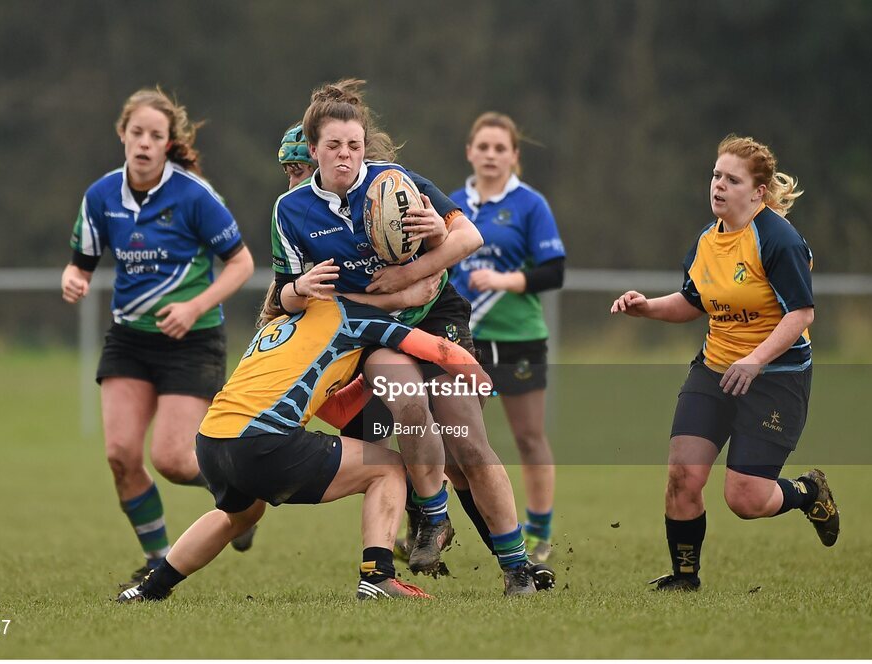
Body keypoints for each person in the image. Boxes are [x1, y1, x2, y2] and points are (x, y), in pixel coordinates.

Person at [271, 79, 553, 596]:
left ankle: (517, 568)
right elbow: (285, 297)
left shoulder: (396, 182)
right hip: (375, 331)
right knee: (406, 404)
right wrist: (305, 292)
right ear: (314, 151)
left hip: (435, 316)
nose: (345, 155)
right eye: (333, 146)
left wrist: (417, 262)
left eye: (353, 145)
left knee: (467, 438)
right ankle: (432, 515)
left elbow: (468, 237)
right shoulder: (290, 213)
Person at [116, 291, 494, 602]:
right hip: (264, 441)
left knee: (241, 516)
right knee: (389, 468)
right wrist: (483, 385)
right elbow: (445, 352)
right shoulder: (350, 315)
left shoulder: (279, 326)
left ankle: (150, 589)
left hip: (212, 442)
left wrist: (367, 380)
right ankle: (378, 578)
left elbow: (339, 408)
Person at [610, 134, 839, 591]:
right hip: (716, 369)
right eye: (716, 175)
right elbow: (693, 302)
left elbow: (802, 313)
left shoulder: (777, 239)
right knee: (682, 474)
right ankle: (685, 577)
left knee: (746, 498)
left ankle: (810, 491)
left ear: (757, 192)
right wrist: (647, 306)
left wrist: (754, 360)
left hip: (776, 377)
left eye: (732, 180)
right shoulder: (706, 242)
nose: (718, 185)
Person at [61, 87, 254, 584]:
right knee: (120, 456)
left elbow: (242, 263)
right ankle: (156, 558)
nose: (145, 143)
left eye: (156, 135)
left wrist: (193, 306)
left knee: (170, 458)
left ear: (170, 144)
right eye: (137, 133)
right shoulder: (101, 196)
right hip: (130, 340)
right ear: (122, 134)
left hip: (192, 340)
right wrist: (75, 278)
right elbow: (82, 262)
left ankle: (243, 496)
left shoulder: (193, 195)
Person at [448, 112, 566, 563]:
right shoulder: (454, 203)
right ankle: (434, 528)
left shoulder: (530, 205)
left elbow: (554, 271)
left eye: (501, 148)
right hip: (463, 341)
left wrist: (502, 280)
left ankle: (539, 536)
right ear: (469, 152)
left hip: (519, 340)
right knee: (452, 437)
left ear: (514, 156)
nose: (491, 155)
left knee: (529, 437)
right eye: (484, 147)